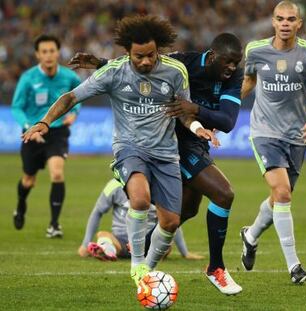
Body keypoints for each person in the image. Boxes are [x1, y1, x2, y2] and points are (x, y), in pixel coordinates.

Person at [22, 15, 218, 288]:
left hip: (165, 153)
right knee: (139, 198)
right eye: (139, 56)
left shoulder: (175, 72)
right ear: (127, 52)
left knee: (171, 222)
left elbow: (182, 112)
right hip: (129, 148)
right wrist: (45, 122)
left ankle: (146, 271)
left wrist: (197, 126)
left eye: (151, 55)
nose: (146, 61)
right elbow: (70, 97)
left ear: (158, 48)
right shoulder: (114, 71)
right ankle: (137, 265)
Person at [69, 32, 244, 295]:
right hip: (169, 140)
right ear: (213, 56)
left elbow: (227, 122)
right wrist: (103, 63)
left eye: (236, 62)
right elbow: (142, 65)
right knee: (223, 193)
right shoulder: (183, 63)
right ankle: (215, 268)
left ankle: (135, 251)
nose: (232, 68)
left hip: (197, 139)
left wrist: (192, 108)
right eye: (228, 62)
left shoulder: (234, 76)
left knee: (186, 210)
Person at [239, 1, 306, 284]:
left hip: (296, 137)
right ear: (272, 21)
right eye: (280, 19)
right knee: (282, 193)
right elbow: (248, 81)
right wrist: (224, 110)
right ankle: (294, 267)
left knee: (280, 197)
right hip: (264, 132)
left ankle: (251, 235)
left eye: (291, 19)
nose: (285, 24)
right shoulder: (255, 51)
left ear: (299, 24)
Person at [11, 34, 82, 238]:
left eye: (52, 51)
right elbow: (16, 107)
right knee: (28, 180)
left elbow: (80, 97)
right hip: (32, 132)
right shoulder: (28, 79)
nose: (49, 55)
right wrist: (28, 127)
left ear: (58, 53)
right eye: (44, 52)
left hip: (57, 131)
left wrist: (74, 114)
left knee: (57, 173)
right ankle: (21, 204)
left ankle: (54, 224)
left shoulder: (70, 77)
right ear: (38, 55)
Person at [78, 178, 205, 261]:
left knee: (166, 243)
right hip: (120, 242)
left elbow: (171, 221)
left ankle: (106, 248)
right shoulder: (114, 185)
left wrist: (185, 252)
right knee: (103, 234)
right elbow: (97, 212)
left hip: (148, 243)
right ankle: (108, 250)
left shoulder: (160, 187)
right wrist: (84, 245)